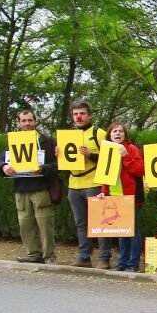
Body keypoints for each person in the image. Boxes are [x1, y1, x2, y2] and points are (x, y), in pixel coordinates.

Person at [0, 108, 58, 263]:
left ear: (35, 121)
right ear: (19, 123)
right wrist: (4, 167)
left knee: (45, 223)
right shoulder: (13, 141)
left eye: (30, 120)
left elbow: (57, 165)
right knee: (25, 223)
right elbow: (0, 161)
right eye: (23, 121)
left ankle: (49, 256)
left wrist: (42, 168)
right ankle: (33, 254)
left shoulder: (47, 141)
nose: (27, 123)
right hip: (21, 188)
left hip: (41, 188)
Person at [61, 99, 110, 268]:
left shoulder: (99, 133)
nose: (79, 117)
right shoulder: (68, 136)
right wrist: (58, 154)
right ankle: (84, 256)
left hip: (94, 183)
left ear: (89, 115)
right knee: (81, 223)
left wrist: (91, 155)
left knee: (100, 222)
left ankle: (104, 258)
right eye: (75, 114)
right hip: (74, 184)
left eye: (82, 113)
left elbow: (110, 158)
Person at [99, 122, 145, 271]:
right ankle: (122, 263)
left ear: (125, 135)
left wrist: (126, 157)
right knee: (121, 232)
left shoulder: (131, 149)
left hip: (130, 197)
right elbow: (105, 174)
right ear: (109, 135)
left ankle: (133, 264)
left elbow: (139, 170)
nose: (118, 134)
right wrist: (103, 192)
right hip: (114, 196)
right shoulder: (107, 150)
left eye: (121, 131)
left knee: (133, 232)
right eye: (114, 131)